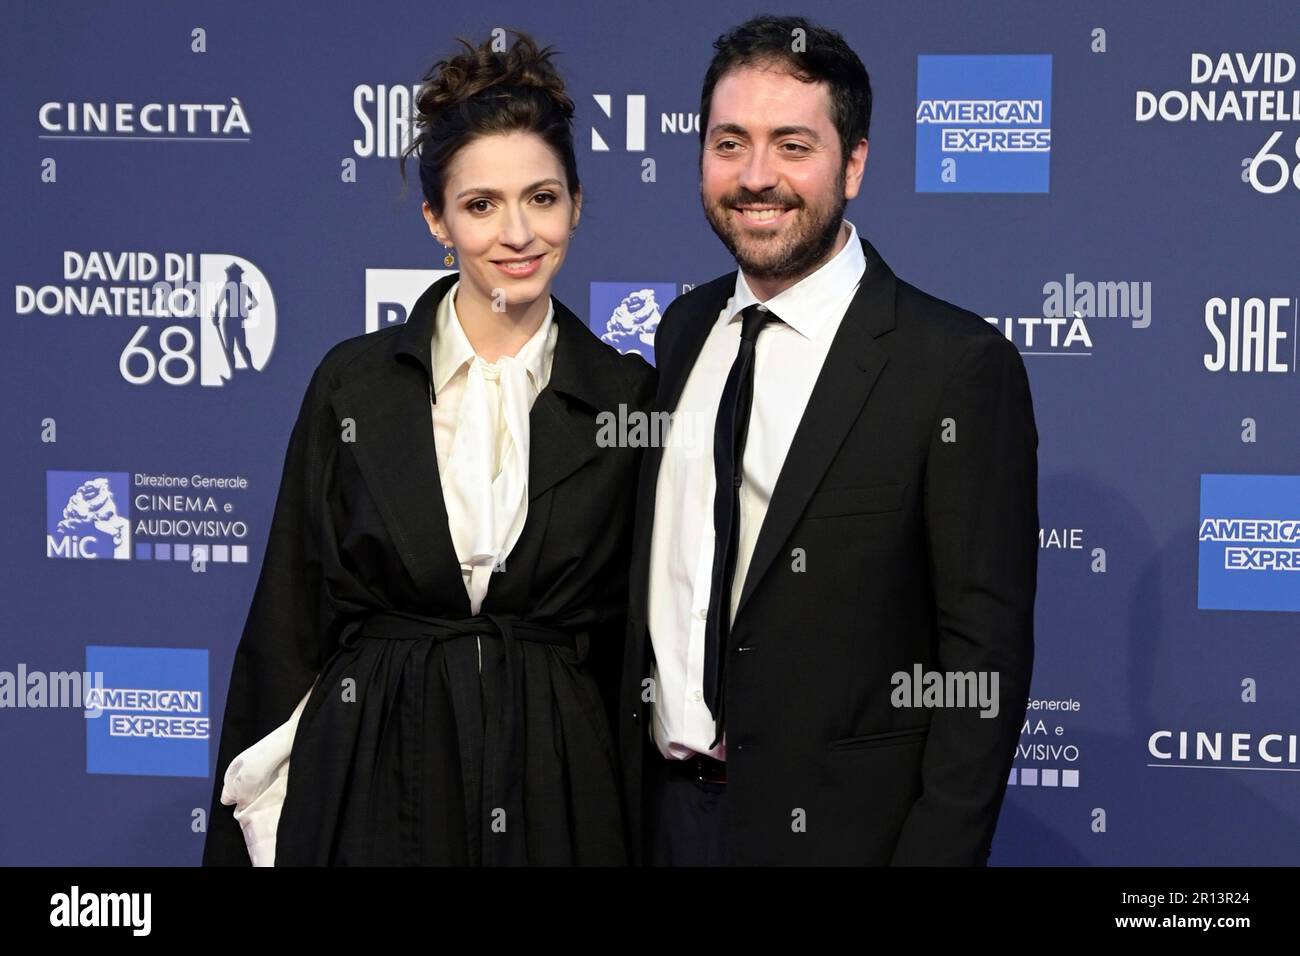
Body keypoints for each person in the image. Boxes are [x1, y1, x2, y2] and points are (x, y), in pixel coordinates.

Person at [203, 30, 653, 866]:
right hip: (375, 770)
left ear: (578, 204)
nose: (517, 233)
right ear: (435, 219)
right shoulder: (354, 387)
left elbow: (637, 648)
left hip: (557, 783)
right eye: (481, 204)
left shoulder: (628, 398)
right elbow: (286, 627)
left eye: (542, 198)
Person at [619, 15, 1039, 866]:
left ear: (853, 162)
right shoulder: (684, 329)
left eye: (792, 146)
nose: (756, 177)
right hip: (657, 821)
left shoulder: (954, 365)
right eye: (729, 143)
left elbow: (980, 661)